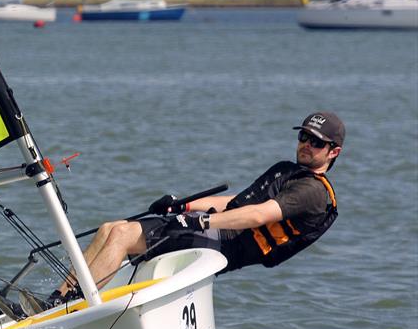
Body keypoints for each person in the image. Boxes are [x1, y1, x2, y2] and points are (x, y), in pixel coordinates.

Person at [50, 111, 344, 303]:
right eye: (303, 137)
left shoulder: (313, 192)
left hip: (226, 244)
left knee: (122, 237)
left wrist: (199, 223)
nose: (306, 144)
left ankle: (74, 305)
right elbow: (234, 203)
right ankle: (58, 298)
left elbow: (257, 215)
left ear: (333, 152)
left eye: (316, 142)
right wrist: (183, 206)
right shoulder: (288, 171)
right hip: (217, 230)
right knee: (109, 229)